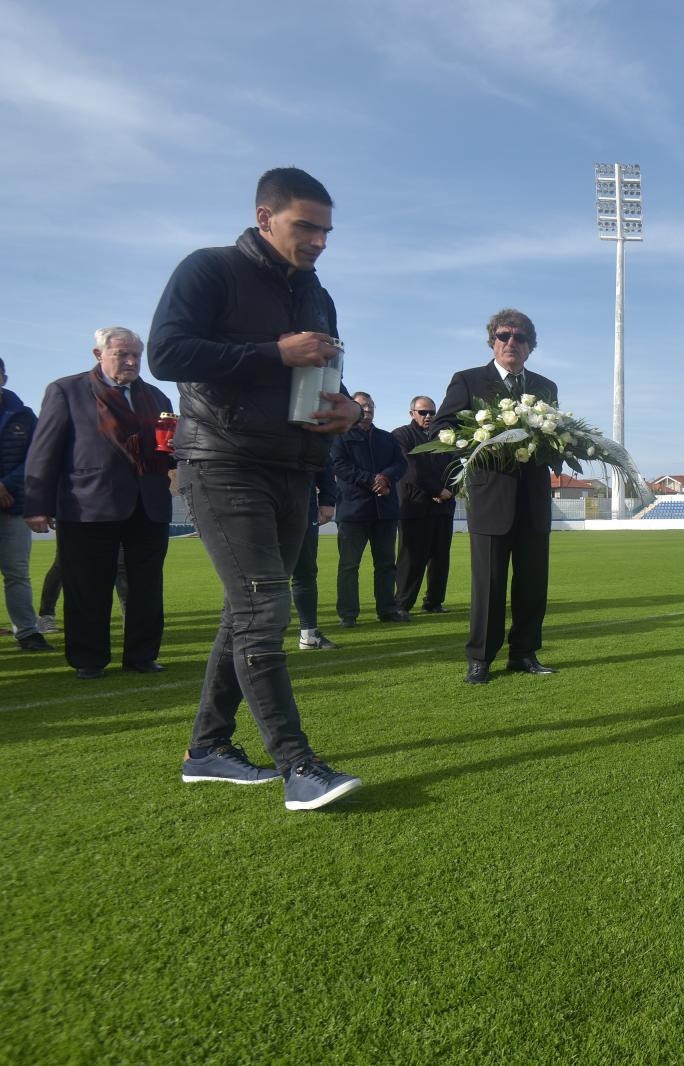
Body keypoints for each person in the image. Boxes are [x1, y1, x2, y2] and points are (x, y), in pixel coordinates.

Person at [147, 165, 364, 811]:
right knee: (264, 609)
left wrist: (346, 408)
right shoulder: (209, 269)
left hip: (292, 465)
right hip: (222, 461)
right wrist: (275, 352)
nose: (319, 241)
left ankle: (207, 749)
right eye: (306, 227)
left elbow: (324, 370)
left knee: (245, 611)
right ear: (265, 218)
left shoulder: (318, 294)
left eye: (326, 231)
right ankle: (298, 766)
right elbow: (167, 354)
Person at [24, 328, 173, 678]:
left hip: (148, 503)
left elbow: (168, 448)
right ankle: (88, 659)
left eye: (136, 355)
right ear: (98, 354)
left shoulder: (156, 397)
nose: (132, 361)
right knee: (86, 585)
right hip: (87, 504)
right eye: (123, 354)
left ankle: (142, 655)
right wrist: (37, 504)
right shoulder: (66, 390)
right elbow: (45, 450)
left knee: (146, 586)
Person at [435, 309, 558, 684]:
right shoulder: (469, 380)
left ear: (530, 346)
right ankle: (480, 659)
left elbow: (554, 436)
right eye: (504, 336)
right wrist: (477, 443)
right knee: (488, 586)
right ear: (492, 341)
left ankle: (524, 653)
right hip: (490, 499)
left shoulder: (546, 387)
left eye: (520, 338)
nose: (511, 343)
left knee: (532, 584)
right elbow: (442, 428)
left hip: (534, 500)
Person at [329, 392, 407, 626]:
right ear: (353, 408)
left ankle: (387, 609)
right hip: (353, 511)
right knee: (349, 565)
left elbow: (401, 464)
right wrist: (372, 480)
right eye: (362, 406)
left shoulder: (386, 438)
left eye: (371, 405)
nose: (368, 409)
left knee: (386, 565)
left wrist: (386, 478)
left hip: (385, 511)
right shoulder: (341, 437)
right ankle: (348, 614)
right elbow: (340, 466)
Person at [0, 357, 52, 653]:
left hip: (13, 506)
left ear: (4, 378)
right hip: (9, 496)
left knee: (17, 573)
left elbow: (36, 456)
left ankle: (28, 633)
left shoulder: (23, 415)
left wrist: (5, 484)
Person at [390, 395, 455, 614]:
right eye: (423, 412)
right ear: (412, 413)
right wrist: (436, 490)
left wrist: (448, 491)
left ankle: (434, 602)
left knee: (440, 557)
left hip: (443, 506)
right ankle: (402, 604)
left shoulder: (445, 437)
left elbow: (456, 466)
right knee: (411, 558)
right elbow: (410, 469)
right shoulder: (401, 435)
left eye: (432, 412)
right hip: (415, 506)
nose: (428, 416)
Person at [292, 464, 338, 649]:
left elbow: (324, 459)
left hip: (304, 503)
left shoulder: (311, 441)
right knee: (263, 575)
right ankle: (259, 638)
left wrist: (327, 499)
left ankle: (309, 635)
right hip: (262, 504)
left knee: (305, 571)